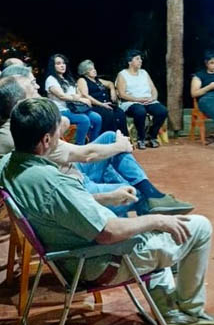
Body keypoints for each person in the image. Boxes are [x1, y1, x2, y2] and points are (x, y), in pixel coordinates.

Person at [0, 97, 214, 325]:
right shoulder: (55, 184)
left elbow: (64, 208)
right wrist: (158, 220)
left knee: (149, 231)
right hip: (96, 262)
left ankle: (169, 313)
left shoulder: (8, 165)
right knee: (199, 227)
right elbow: (108, 233)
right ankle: (192, 312)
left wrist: (108, 197)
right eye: (58, 131)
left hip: (68, 256)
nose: (62, 136)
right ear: (46, 140)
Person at [0, 74, 193, 216]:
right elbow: (86, 154)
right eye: (32, 86)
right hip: (75, 187)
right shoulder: (32, 134)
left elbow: (66, 128)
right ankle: (148, 227)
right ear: (21, 101)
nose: (38, 88)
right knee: (134, 191)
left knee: (109, 139)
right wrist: (121, 146)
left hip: (71, 175)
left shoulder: (19, 127)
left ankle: (151, 196)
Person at [44, 53, 102, 145]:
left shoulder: (68, 78)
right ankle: (80, 146)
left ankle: (93, 144)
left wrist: (78, 97)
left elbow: (78, 92)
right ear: (53, 66)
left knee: (97, 118)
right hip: (61, 110)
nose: (62, 65)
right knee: (84, 119)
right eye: (58, 63)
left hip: (74, 108)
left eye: (63, 63)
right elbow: (62, 96)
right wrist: (78, 98)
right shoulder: (51, 79)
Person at [116, 50, 168, 150]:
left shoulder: (144, 73)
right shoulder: (122, 74)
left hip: (148, 101)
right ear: (129, 62)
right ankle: (141, 138)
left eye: (140, 59)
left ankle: (152, 135)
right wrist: (138, 99)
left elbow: (153, 89)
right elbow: (122, 94)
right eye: (137, 59)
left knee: (162, 111)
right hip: (131, 102)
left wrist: (153, 98)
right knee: (140, 111)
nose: (140, 61)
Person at [77, 60, 128, 136]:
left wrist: (113, 91)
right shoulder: (82, 80)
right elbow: (85, 95)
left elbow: (110, 83)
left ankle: (124, 138)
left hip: (106, 104)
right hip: (95, 106)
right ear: (85, 72)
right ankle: (111, 138)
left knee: (120, 113)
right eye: (91, 69)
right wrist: (101, 104)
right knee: (108, 114)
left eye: (94, 68)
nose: (94, 70)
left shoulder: (97, 80)